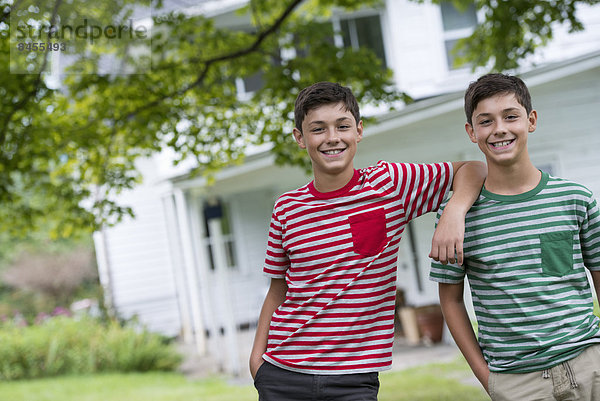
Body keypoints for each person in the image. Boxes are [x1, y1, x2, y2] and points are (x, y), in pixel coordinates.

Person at [249, 81, 487, 400]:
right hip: (283, 373)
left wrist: (454, 212)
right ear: (299, 138)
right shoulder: (287, 208)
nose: (332, 138)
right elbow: (278, 288)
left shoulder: (389, 185)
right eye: (318, 129)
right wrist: (257, 360)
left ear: (358, 131)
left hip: (354, 379)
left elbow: (473, 169)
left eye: (342, 126)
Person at [429, 73, 600, 401]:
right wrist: (489, 378)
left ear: (531, 120)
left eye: (510, 116)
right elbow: (450, 300)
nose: (499, 129)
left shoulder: (575, 198)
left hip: (589, 365)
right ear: (472, 132)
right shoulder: (455, 219)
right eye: (486, 121)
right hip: (516, 382)